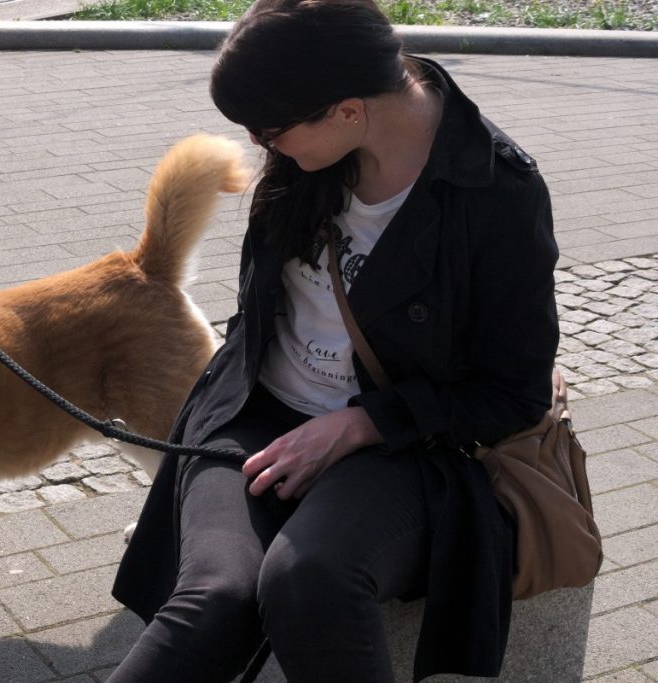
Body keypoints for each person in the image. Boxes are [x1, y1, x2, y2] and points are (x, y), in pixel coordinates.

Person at [110, 0, 560, 681]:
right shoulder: (308, 160)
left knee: (308, 576)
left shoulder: (496, 190)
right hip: (253, 414)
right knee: (217, 595)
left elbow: (514, 391)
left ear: (348, 110)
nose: (263, 147)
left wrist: (359, 423)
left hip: (404, 444)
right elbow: (258, 315)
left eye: (270, 130)